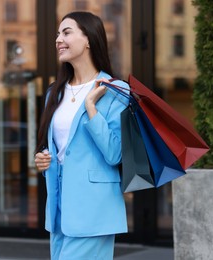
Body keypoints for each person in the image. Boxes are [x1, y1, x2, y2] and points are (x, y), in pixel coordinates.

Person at [34, 11, 129, 259]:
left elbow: (115, 154)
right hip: (59, 207)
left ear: (88, 39)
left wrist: (91, 108)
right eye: (57, 34)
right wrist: (44, 159)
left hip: (94, 208)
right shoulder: (54, 93)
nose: (58, 40)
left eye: (66, 32)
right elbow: (60, 148)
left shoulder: (115, 90)